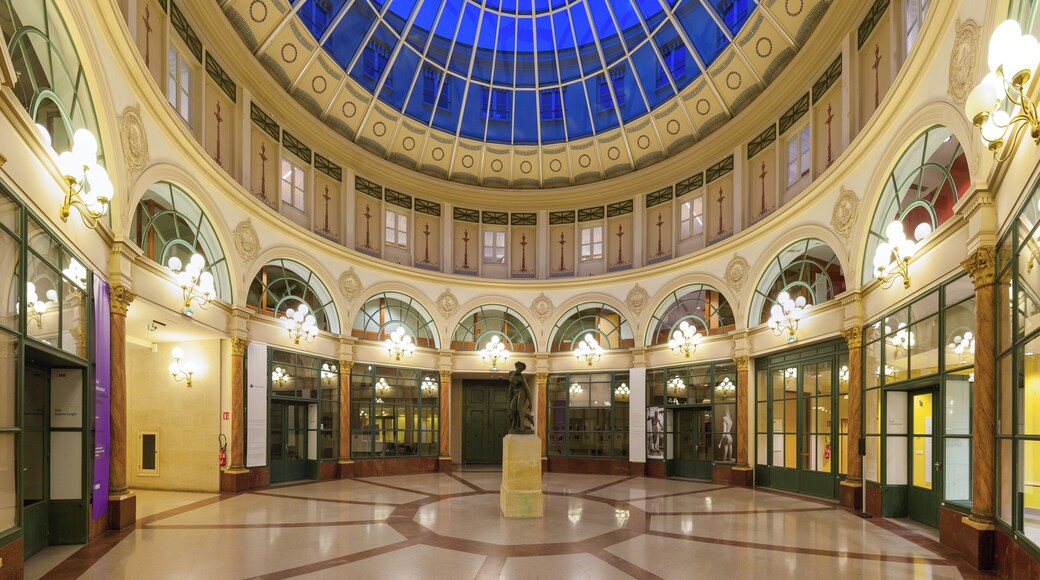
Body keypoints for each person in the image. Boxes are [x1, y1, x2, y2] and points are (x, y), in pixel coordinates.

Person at [507, 361, 534, 434]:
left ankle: (522, 426)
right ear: (516, 367)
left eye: (521, 370)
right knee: (512, 408)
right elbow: (511, 386)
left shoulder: (521, 378)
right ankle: (528, 417)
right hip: (516, 393)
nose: (520, 370)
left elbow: (527, 390)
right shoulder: (511, 374)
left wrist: (530, 401)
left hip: (522, 392)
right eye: (519, 368)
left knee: (519, 406)